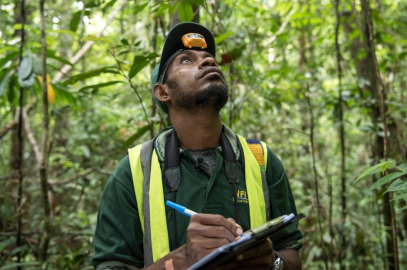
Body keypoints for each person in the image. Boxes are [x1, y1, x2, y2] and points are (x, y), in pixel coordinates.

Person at [93, 22, 303, 270]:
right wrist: (182, 259)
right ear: (162, 92)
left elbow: (292, 253)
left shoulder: (262, 160)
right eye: (185, 60)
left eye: (209, 58)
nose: (208, 62)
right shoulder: (133, 171)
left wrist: (273, 262)